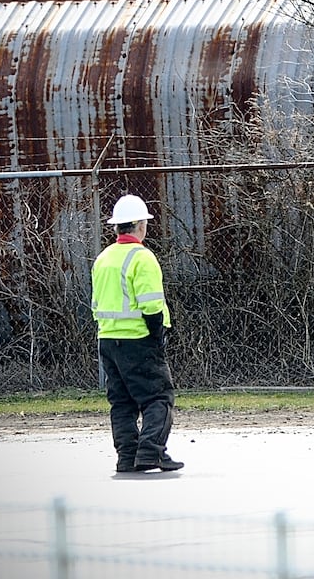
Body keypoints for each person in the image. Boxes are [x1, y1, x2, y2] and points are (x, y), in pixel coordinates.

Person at [91, 194, 183, 474]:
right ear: (140, 225)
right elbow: (152, 305)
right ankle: (151, 452)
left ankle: (127, 457)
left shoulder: (103, 258)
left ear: (117, 227)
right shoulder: (142, 258)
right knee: (158, 397)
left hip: (107, 340)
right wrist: (157, 338)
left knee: (121, 402)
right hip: (139, 340)